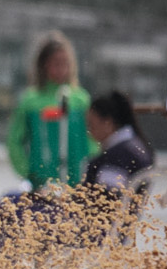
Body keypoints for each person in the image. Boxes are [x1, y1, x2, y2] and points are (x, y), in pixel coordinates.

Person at [6, 30, 98, 191]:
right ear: (44, 65)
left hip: (77, 186)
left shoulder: (80, 99)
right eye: (56, 63)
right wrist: (27, 172)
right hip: (41, 186)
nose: (62, 68)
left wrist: (89, 169)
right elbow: (14, 140)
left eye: (66, 63)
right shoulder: (31, 100)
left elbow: (94, 138)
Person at [83, 90, 155, 195]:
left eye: (91, 125)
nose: (89, 132)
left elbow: (108, 200)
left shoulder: (118, 156)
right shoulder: (135, 146)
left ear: (107, 122)